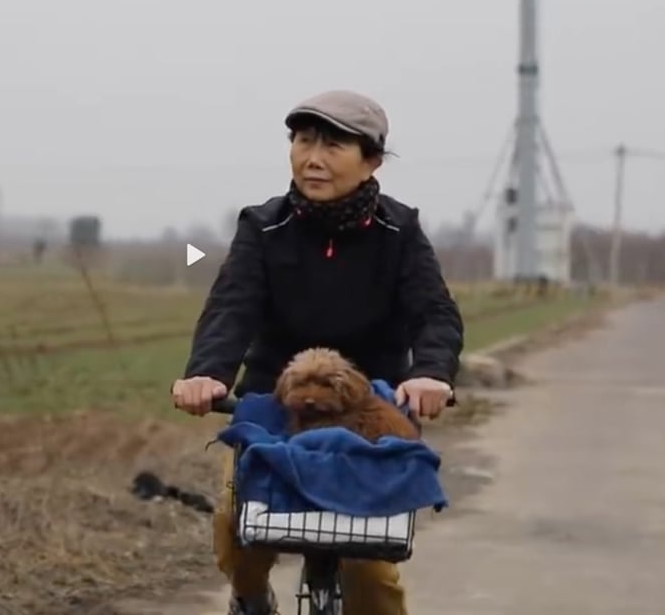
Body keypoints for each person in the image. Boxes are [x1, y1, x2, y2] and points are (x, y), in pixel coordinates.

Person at [171, 89, 465, 615]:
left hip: (368, 413)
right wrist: (207, 374)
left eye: (333, 145)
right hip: (274, 404)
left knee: (372, 571)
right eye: (304, 141)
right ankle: (250, 598)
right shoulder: (264, 227)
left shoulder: (400, 231)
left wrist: (431, 374)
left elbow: (434, 313)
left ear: (371, 160)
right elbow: (230, 308)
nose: (313, 158)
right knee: (239, 525)